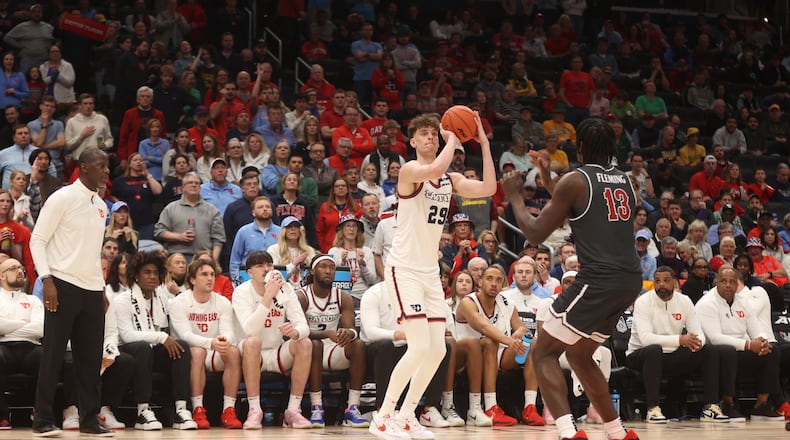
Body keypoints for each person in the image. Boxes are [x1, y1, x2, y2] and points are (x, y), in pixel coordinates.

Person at [502, 118, 641, 440]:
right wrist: (549, 177)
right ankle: (618, 432)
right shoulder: (624, 181)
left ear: (579, 148)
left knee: (543, 352)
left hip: (598, 279)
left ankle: (568, 432)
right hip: (629, 280)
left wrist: (515, 197)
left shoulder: (576, 180)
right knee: (578, 354)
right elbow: (580, 204)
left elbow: (536, 232)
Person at [369, 110, 496, 440]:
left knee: (439, 350)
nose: (430, 137)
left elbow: (489, 187)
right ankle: (383, 417)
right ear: (412, 141)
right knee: (418, 347)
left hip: (428, 272)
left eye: (433, 133)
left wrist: (482, 142)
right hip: (404, 268)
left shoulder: (448, 180)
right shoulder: (411, 170)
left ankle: (409, 415)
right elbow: (437, 166)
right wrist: (454, 138)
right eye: (423, 134)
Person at [29, 148, 113, 437]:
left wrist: (101, 288)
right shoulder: (62, 198)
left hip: (92, 289)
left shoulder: (102, 206)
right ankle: (42, 419)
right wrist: (46, 279)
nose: (106, 171)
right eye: (101, 166)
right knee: (52, 354)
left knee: (90, 360)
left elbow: (92, 253)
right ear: (84, 167)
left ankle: (89, 420)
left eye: (107, 166)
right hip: (61, 284)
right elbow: (37, 240)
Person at [626, 266, 729, 423]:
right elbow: (646, 339)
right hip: (640, 355)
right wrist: (681, 340)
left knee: (709, 351)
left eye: (666, 281)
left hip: (672, 354)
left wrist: (696, 343)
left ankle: (710, 407)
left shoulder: (685, 301)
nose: (661, 285)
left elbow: (698, 333)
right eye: (657, 281)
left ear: (674, 283)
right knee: (654, 350)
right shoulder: (643, 302)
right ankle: (653, 409)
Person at [113, 251, 196, 431]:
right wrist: (161, 337)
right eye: (147, 272)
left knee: (181, 346)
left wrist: (165, 338)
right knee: (143, 348)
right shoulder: (122, 300)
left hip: (153, 350)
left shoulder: (163, 299)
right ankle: (143, 411)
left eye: (155, 273)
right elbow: (126, 335)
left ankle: (181, 410)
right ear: (136, 275)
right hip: (128, 352)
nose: (152, 277)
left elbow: (182, 309)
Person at [231, 251, 313, 429]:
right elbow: (250, 330)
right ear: (250, 272)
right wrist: (268, 296)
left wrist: (295, 332)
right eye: (260, 266)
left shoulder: (285, 288)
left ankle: (293, 411)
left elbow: (303, 326)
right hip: (250, 354)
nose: (266, 269)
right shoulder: (241, 292)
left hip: (276, 352)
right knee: (253, 341)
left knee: (305, 342)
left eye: (269, 265)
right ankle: (254, 410)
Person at [696, 266, 785, 422]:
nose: (728, 285)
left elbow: (756, 328)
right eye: (724, 281)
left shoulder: (743, 302)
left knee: (773, 350)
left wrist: (763, 341)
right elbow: (715, 338)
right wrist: (749, 345)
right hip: (714, 354)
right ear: (716, 283)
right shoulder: (707, 303)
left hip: (741, 349)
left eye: (732, 282)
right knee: (727, 351)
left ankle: (761, 406)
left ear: (738, 285)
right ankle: (728, 404)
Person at [297, 255, 369, 428]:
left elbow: (351, 329)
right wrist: (328, 333)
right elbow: (300, 332)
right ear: (313, 271)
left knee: (358, 344)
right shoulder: (301, 296)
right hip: (306, 350)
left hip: (332, 348)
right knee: (314, 344)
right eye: (323, 266)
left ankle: (352, 408)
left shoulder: (343, 297)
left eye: (332, 267)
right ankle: (317, 407)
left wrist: (348, 333)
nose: (328, 270)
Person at [169, 259, 242, 429]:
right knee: (197, 352)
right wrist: (211, 343)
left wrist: (225, 341)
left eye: (212, 275)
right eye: (204, 274)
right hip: (187, 355)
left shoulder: (223, 302)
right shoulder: (179, 302)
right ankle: (198, 409)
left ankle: (229, 410)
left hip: (215, 351)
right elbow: (185, 335)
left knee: (232, 352)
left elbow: (228, 331)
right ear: (192, 280)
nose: (210, 278)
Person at [0, 258, 44, 430]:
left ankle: (40, 412)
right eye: (13, 268)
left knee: (47, 357)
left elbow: (40, 329)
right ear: (2, 276)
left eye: (21, 268)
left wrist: (7, 327)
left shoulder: (33, 300)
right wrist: (24, 323)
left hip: (30, 347)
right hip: (3, 347)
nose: (19, 271)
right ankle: (2, 415)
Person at [155, 172, 225, 262]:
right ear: (183, 187)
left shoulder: (212, 210)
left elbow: (218, 238)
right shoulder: (171, 208)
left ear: (200, 187)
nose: (194, 185)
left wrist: (214, 260)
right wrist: (179, 237)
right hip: (178, 258)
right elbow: (159, 232)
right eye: (190, 183)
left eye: (197, 183)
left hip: (204, 258)